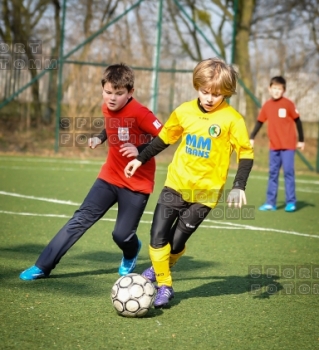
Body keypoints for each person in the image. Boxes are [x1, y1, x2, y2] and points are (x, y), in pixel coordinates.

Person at [124, 57, 254, 308]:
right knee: (157, 236)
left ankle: (158, 269)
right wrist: (140, 159)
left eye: (216, 94)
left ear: (226, 93)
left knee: (178, 241)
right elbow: (164, 138)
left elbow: (245, 153)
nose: (209, 98)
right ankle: (165, 285)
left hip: (206, 194)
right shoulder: (183, 111)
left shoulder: (232, 119)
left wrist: (239, 185)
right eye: (205, 91)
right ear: (197, 86)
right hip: (176, 184)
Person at [20, 63, 163, 281]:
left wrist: (140, 151)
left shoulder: (141, 113)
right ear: (103, 89)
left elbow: (166, 136)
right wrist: (100, 137)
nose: (112, 98)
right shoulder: (107, 106)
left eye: (118, 93)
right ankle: (42, 265)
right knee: (80, 219)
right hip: (109, 177)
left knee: (122, 235)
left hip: (136, 183)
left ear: (130, 92)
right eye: (107, 92)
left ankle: (131, 250)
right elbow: (112, 124)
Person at [250, 76, 305, 212]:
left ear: (283, 90)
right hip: (274, 146)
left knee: (288, 172)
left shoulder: (288, 104)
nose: (276, 91)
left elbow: (298, 121)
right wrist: (252, 137)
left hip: (288, 146)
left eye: (279, 89)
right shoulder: (267, 105)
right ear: (269, 89)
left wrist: (301, 140)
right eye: (274, 88)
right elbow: (259, 122)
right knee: (273, 173)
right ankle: (270, 202)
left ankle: (291, 202)